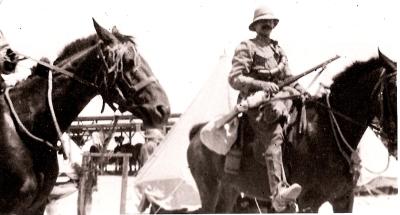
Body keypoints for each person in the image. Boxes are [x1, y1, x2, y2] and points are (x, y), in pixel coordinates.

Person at [228, 5, 308, 212]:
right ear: (255, 26)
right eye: (263, 22)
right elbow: (235, 78)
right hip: (258, 101)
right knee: (274, 133)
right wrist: (262, 84)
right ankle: (278, 193)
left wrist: (300, 89)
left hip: (283, 97)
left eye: (271, 21)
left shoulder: (277, 49)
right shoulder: (246, 46)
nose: (268, 24)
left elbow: (288, 77)